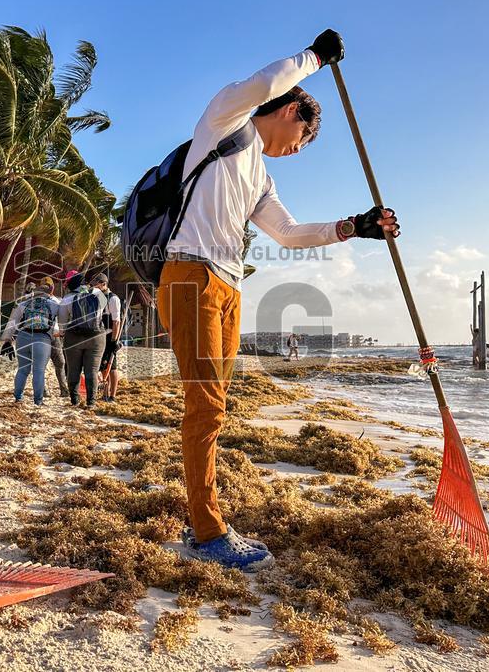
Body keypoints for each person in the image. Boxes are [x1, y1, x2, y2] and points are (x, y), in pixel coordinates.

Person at [158, 29, 400, 572]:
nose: (300, 149)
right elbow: (266, 80)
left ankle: (204, 515)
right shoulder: (225, 120)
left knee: (214, 404)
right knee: (206, 405)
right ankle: (206, 529)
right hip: (188, 275)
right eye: (304, 138)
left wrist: (354, 226)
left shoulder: (260, 176)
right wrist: (315, 56)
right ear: (292, 110)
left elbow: (289, 233)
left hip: (226, 285)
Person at [2, 277, 60, 406]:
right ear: (49, 291)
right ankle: (38, 401)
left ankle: (18, 397)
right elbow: (59, 325)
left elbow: (12, 323)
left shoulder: (24, 303)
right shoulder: (54, 304)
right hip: (42, 339)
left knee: (22, 369)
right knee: (39, 371)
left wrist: (7, 340)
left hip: (23, 337)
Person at [57, 271, 108, 407]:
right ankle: (91, 402)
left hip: (74, 337)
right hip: (96, 337)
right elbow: (101, 313)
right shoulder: (99, 294)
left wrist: (62, 333)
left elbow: (62, 324)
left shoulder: (67, 299)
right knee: (92, 370)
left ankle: (74, 400)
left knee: (73, 370)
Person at [90, 273, 123, 403]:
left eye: (97, 284)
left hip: (109, 335)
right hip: (99, 335)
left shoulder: (113, 299)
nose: (95, 287)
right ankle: (105, 393)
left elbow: (116, 322)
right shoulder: (97, 297)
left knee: (111, 365)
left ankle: (112, 395)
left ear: (104, 284)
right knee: (102, 366)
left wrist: (114, 341)